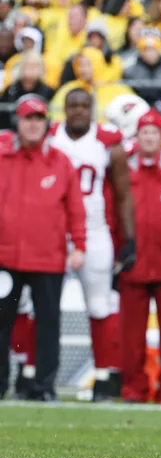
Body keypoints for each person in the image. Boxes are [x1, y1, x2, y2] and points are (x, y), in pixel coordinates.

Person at [48, 88, 136, 401]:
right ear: (64, 109)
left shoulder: (107, 143)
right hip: (52, 232)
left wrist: (129, 238)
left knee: (100, 307)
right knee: (39, 308)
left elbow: (124, 193)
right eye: (73, 105)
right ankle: (34, 375)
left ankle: (104, 378)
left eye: (85, 105)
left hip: (94, 231)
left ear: (93, 109)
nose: (79, 111)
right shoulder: (49, 137)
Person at [0, 95, 86, 401]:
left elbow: (76, 208)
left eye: (38, 118)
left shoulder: (61, 162)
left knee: (48, 325)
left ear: (47, 123)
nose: (33, 124)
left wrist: (79, 245)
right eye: (28, 118)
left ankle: (45, 386)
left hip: (48, 258)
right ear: (18, 122)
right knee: (1, 323)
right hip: (5, 257)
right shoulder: (2, 156)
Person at [119, 110, 161, 403]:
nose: (148, 138)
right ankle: (134, 388)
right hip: (133, 264)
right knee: (130, 334)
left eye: (154, 133)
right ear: (136, 137)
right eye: (143, 132)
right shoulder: (123, 171)